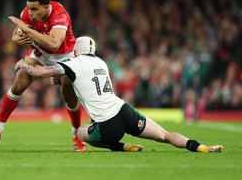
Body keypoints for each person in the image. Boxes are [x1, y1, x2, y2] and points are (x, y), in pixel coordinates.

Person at [14, 35, 224, 153]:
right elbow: (83, 79)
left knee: (79, 133)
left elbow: (40, 72)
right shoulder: (102, 62)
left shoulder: (72, 63)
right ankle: (199, 147)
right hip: (124, 111)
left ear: (76, 49)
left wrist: (24, 63)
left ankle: (122, 147)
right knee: (164, 135)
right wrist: (60, 76)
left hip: (107, 124)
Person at [0, 0, 86, 151]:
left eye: (34, 9)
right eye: (29, 8)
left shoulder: (60, 15)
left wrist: (28, 30)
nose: (30, 13)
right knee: (18, 83)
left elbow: (54, 43)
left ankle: (76, 136)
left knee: (68, 95)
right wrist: (17, 38)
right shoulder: (28, 12)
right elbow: (16, 33)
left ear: (46, 6)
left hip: (65, 56)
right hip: (40, 52)